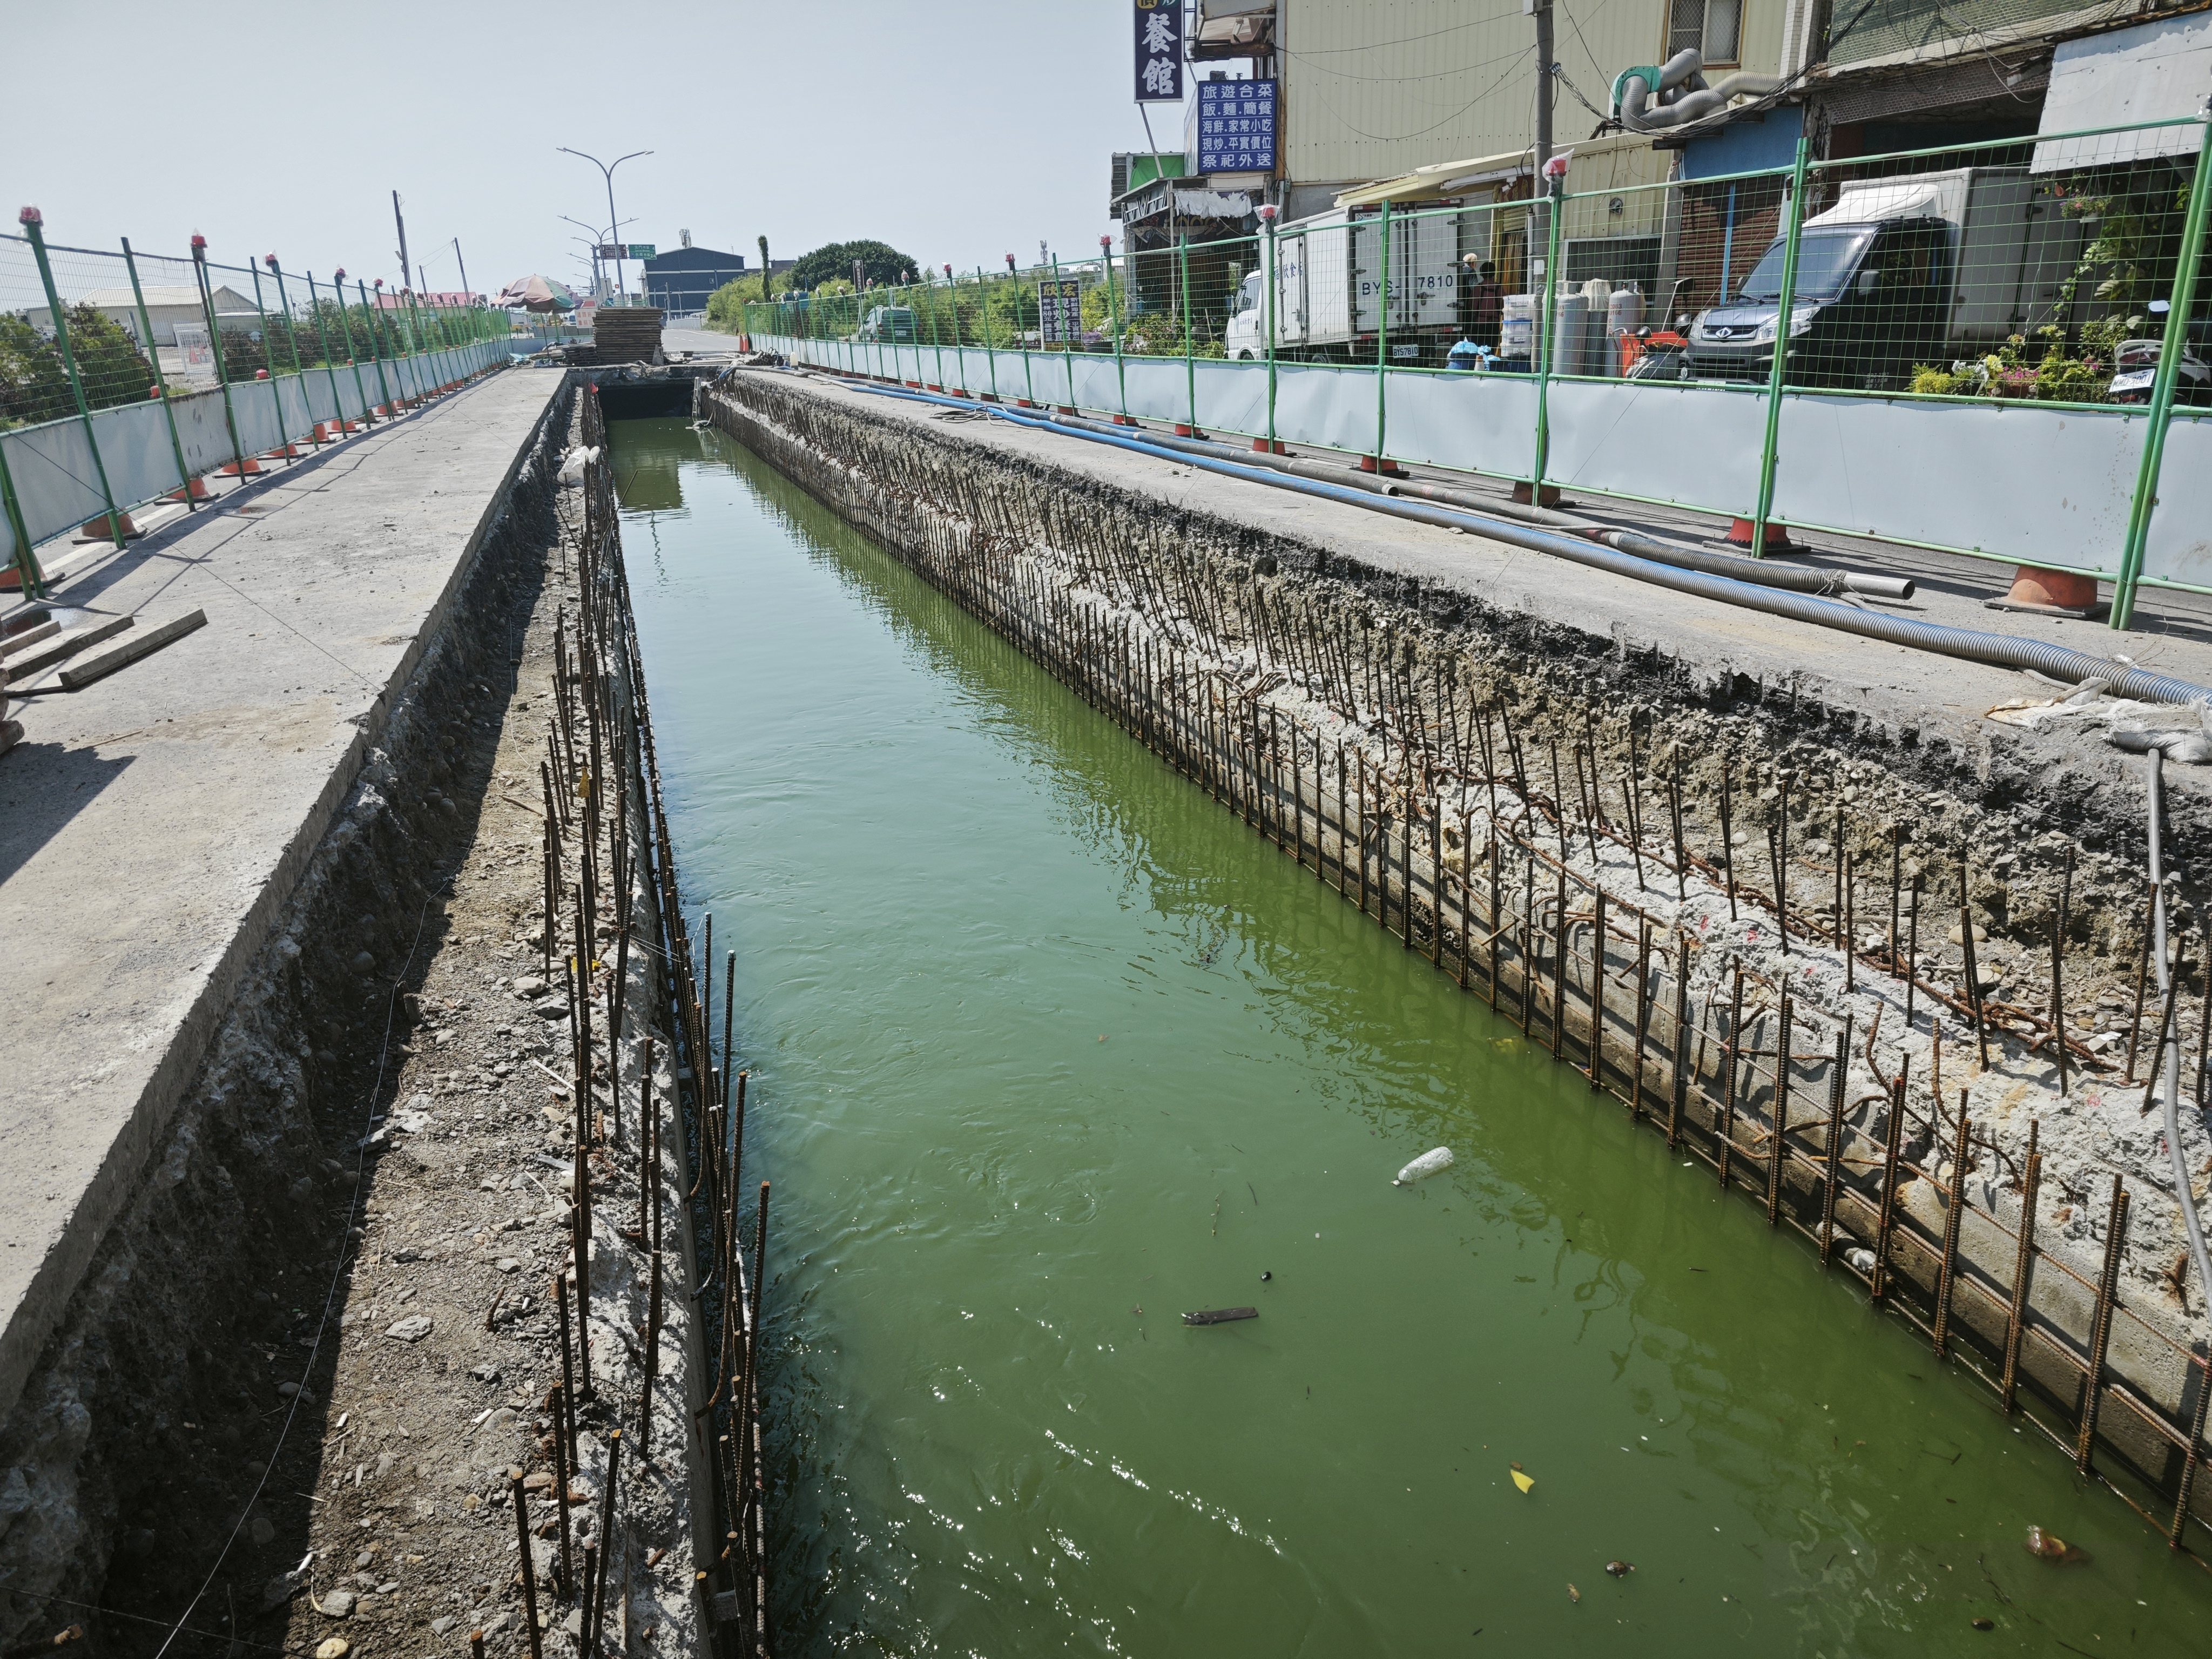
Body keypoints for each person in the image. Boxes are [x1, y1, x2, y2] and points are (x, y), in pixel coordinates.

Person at [1461, 256, 1503, 349]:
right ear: (1493, 273)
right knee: (1491, 350)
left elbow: (1471, 305)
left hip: (1479, 326)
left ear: (1482, 273)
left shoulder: (1477, 288)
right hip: (1493, 326)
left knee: (1478, 352)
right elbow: (1503, 306)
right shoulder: (1499, 288)